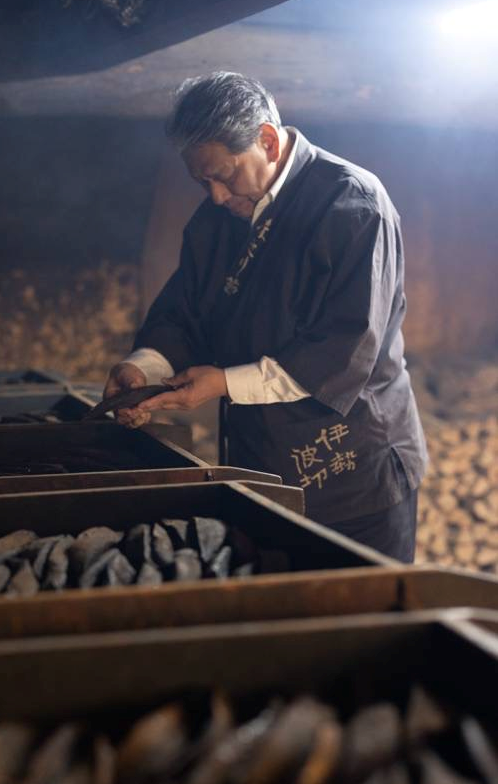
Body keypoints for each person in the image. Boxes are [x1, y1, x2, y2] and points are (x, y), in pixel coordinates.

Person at [103, 72, 427, 562]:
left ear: (268, 141)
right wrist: (144, 370)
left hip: (356, 476)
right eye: (201, 180)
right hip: (261, 466)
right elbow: (184, 312)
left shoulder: (353, 206)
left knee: (358, 623)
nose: (214, 196)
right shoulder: (218, 217)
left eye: (225, 175)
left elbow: (342, 352)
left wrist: (222, 384)